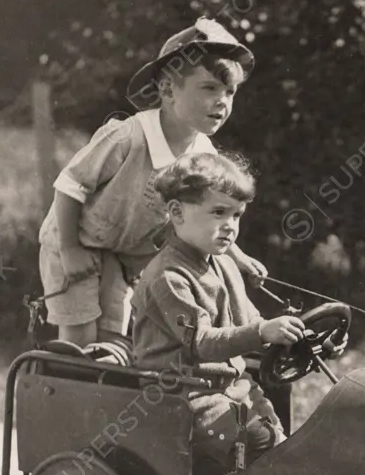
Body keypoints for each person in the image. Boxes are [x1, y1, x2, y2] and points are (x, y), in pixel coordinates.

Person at [131, 150, 326, 475]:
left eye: (236, 215)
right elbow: (201, 341)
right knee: (260, 446)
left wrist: (291, 336)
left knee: (284, 447)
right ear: (176, 212)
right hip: (177, 394)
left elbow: (250, 323)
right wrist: (261, 332)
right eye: (218, 212)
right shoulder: (168, 277)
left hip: (224, 387)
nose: (230, 227)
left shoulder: (221, 265)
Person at [37, 17, 267, 348]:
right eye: (210, 88)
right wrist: (71, 249)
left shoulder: (202, 152)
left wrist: (239, 259)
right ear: (168, 89)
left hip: (122, 254)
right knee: (80, 335)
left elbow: (209, 213)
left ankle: (105, 393)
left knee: (113, 336)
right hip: (75, 242)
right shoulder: (128, 136)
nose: (223, 102)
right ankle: (66, 389)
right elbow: (70, 186)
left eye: (230, 92)